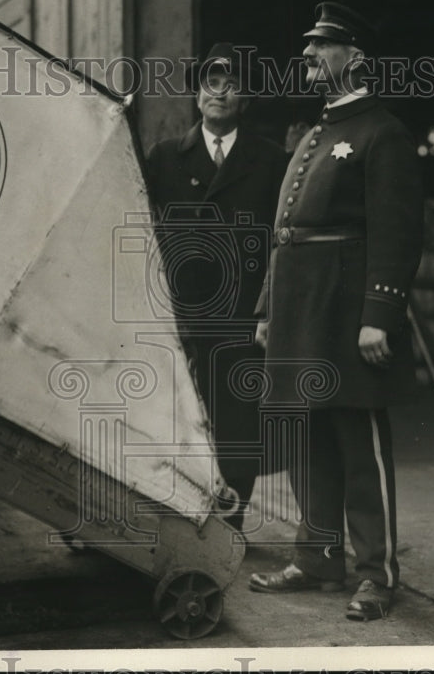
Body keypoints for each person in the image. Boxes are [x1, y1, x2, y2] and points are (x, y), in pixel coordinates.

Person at [247, 3, 423, 621]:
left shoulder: (382, 132)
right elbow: (285, 231)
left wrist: (381, 313)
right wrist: (268, 309)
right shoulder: (317, 133)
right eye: (309, 45)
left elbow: (398, 232)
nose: (308, 55)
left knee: (359, 445)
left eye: (322, 45)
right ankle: (318, 559)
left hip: (348, 314)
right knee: (310, 439)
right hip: (302, 311)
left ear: (356, 58)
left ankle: (377, 573)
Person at [143, 42, 288, 530]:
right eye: (211, 82)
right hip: (183, 316)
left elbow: (281, 240)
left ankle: (230, 526)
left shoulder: (270, 160)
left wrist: (268, 309)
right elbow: (143, 229)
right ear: (197, 94)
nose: (219, 92)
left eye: (232, 84)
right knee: (180, 419)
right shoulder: (165, 158)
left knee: (237, 423)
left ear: (246, 98)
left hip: (243, 316)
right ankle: (179, 521)